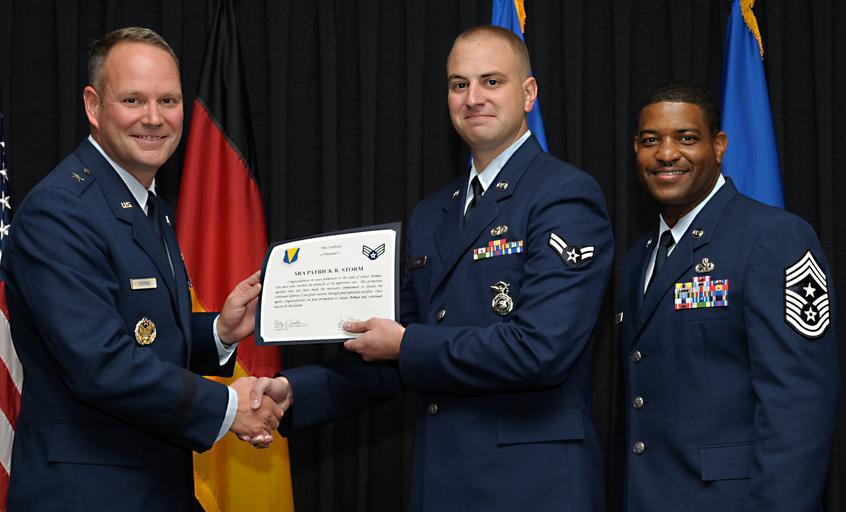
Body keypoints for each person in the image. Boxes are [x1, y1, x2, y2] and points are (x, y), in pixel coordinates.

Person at [250, 25, 613, 511]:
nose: (473, 98)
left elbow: (541, 349)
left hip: (532, 485)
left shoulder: (564, 195)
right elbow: (392, 352)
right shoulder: (432, 213)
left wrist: (405, 344)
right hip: (442, 480)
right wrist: (295, 391)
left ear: (528, 94)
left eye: (491, 81)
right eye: (459, 84)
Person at [2, 27, 281, 511]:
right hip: (88, 496)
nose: (154, 118)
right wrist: (230, 407)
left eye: (168, 100)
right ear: (93, 106)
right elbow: (101, 364)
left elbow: (145, 333)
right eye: (133, 100)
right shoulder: (60, 211)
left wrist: (219, 331)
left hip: (153, 486)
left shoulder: (149, 206)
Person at [617, 80, 839, 511]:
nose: (666, 154)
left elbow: (799, 405)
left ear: (718, 146)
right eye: (650, 140)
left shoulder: (774, 237)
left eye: (686, 138)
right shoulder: (637, 259)